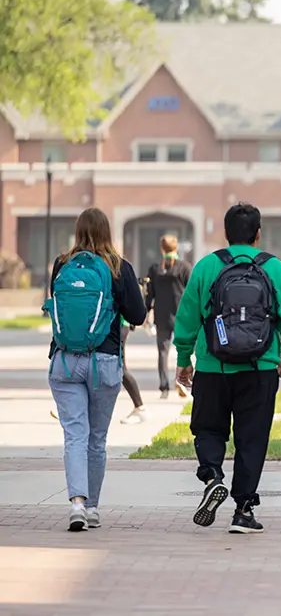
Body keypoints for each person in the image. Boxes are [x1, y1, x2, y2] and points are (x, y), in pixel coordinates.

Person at [173, 203, 281, 534]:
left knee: (208, 428)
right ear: (258, 234)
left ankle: (212, 475)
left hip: (212, 365)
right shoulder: (276, 270)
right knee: (252, 437)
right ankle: (243, 511)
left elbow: (187, 316)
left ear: (225, 233)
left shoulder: (206, 267)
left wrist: (183, 359)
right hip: (259, 368)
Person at [45, 207, 148, 531]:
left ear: (78, 231)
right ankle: (91, 508)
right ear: (108, 232)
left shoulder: (62, 264)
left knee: (74, 435)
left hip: (64, 361)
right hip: (103, 362)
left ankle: (76, 503)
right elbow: (139, 314)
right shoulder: (118, 266)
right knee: (97, 439)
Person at [145, 235, 192, 398]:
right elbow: (193, 292)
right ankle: (180, 381)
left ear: (161, 249)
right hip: (181, 316)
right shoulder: (184, 267)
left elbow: (149, 295)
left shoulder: (155, 269)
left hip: (161, 316)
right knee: (183, 351)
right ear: (176, 248)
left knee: (163, 352)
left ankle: (164, 388)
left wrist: (146, 314)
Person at [118, 319, 148, 424]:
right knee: (119, 367)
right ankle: (139, 407)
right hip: (119, 324)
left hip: (118, 325)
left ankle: (140, 407)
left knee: (120, 368)